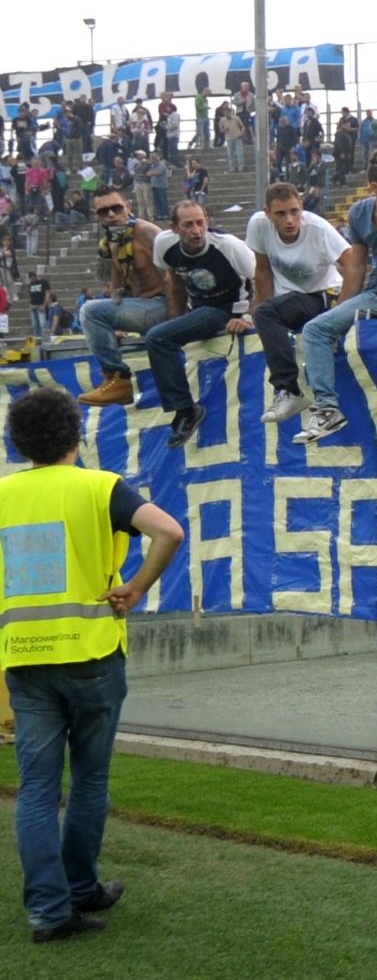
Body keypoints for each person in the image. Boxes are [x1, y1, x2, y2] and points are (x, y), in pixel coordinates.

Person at [2, 386, 183, 944]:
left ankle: (47, 913)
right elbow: (168, 531)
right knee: (88, 779)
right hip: (92, 656)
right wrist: (134, 587)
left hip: (24, 660)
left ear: (18, 442)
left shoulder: (4, 494)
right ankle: (81, 888)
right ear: (75, 438)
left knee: (35, 789)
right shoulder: (100, 487)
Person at [295, 154, 377, 444]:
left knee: (314, 330)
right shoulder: (358, 213)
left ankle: (327, 409)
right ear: (374, 187)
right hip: (373, 294)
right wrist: (341, 309)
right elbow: (356, 268)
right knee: (320, 329)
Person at [146, 202, 257, 448]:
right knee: (162, 334)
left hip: (227, 310)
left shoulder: (228, 246)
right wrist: (175, 321)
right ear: (174, 228)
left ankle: (186, 410)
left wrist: (248, 317)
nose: (197, 230)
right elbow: (173, 282)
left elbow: (262, 278)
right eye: (188, 225)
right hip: (197, 308)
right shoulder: (164, 244)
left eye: (201, 223)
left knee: (158, 338)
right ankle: (183, 407)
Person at [248, 182, 348, 426]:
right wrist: (259, 314)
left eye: (294, 211)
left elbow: (353, 262)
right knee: (264, 314)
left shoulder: (318, 229)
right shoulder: (258, 225)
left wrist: (344, 308)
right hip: (290, 299)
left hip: (324, 294)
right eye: (281, 214)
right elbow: (262, 270)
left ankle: (290, 390)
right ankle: (290, 389)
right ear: (267, 213)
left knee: (266, 313)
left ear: (302, 206)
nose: (290, 220)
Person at [75, 186, 166, 407]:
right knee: (94, 309)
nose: (111, 215)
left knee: (90, 311)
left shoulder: (147, 231)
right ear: (97, 216)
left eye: (116, 208)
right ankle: (115, 381)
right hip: (141, 307)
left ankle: (117, 379)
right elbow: (116, 285)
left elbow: (175, 275)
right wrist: (115, 321)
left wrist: (180, 320)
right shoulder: (111, 240)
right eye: (104, 212)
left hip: (165, 307)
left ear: (128, 207)